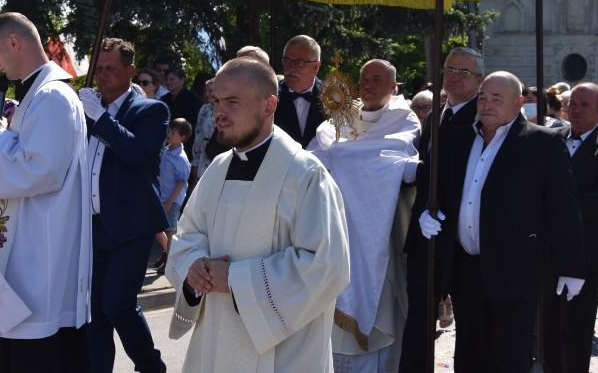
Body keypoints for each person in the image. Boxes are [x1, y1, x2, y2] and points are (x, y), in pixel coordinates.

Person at [166, 57, 350, 372]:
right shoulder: (218, 170)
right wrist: (192, 266)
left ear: (269, 105)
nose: (218, 112)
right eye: (216, 101)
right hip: (216, 340)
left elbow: (327, 266)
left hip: (284, 354)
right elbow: (188, 234)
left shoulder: (305, 175)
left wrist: (238, 279)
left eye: (232, 102)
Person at [419, 71, 586, 371]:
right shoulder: (458, 139)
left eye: (497, 98)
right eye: (483, 97)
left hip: (515, 270)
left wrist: (571, 266)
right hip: (465, 267)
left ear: (519, 102)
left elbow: (564, 207)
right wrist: (427, 213)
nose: (486, 104)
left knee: (510, 355)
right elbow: (440, 190)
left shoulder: (542, 143)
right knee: (469, 352)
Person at [0, 12, 90, 372]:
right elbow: (25, 156)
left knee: (22, 350)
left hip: (40, 251)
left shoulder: (53, 97)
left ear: (14, 42)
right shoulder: (38, 96)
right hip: (25, 241)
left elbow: (42, 169)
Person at [308, 59, 420, 372]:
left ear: (393, 86)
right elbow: (315, 155)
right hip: (335, 229)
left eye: (377, 79)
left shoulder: (403, 118)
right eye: (364, 78)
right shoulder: (343, 116)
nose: (368, 84)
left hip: (378, 232)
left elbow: (401, 158)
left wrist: (346, 159)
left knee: (378, 301)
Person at [78, 37, 169, 373]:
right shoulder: (86, 108)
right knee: (94, 312)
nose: (102, 75)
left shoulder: (151, 110)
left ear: (130, 70)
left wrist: (100, 117)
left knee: (117, 305)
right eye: (98, 68)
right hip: (91, 225)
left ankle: (150, 366)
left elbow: (137, 153)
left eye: (110, 69)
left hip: (131, 225)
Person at [400, 47, 483, 372]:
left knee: (471, 328)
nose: (454, 77)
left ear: (479, 80)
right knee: (418, 320)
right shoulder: (436, 114)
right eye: (450, 69)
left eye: (464, 72)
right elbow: (429, 169)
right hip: (425, 235)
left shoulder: (482, 115)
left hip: (461, 239)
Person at [543, 83, 598, 373]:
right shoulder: (551, 138)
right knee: (548, 327)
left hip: (583, 253)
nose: (576, 110)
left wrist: (557, 206)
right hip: (547, 247)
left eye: (584, 105)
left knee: (577, 328)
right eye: (573, 104)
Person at [153, 118, 192, 275]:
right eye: (169, 131)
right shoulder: (166, 150)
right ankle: (168, 253)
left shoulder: (180, 158)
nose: (169, 134)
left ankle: (171, 261)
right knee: (156, 227)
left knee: (170, 230)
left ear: (182, 137)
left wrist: (170, 201)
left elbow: (181, 183)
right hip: (162, 196)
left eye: (173, 132)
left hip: (172, 199)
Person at [273, 35, 326, 148]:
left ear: (316, 66)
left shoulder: (334, 98)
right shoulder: (270, 96)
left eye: (299, 62)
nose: (291, 67)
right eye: (287, 61)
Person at [160, 67, 201, 158]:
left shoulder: (192, 98)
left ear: (182, 80)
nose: (168, 82)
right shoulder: (164, 99)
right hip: (166, 142)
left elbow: (194, 123)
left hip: (186, 143)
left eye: (172, 79)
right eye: (167, 79)